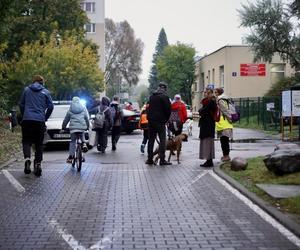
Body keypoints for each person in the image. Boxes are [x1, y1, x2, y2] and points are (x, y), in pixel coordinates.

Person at [19, 75, 54, 176]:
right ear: (42, 82)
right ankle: (38, 164)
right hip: (39, 121)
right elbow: (51, 106)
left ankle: (27, 160)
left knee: (26, 141)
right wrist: (45, 117)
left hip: (27, 120)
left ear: (33, 81)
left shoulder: (26, 90)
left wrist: (24, 115)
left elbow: (21, 104)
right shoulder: (46, 92)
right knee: (39, 143)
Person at [146, 82, 172, 165]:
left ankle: (150, 159)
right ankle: (162, 160)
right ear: (164, 89)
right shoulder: (165, 97)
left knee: (151, 140)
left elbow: (148, 108)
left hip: (151, 121)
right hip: (160, 122)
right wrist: (166, 120)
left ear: (158, 88)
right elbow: (168, 111)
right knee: (162, 141)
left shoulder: (152, 97)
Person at [62, 97, 90, 163]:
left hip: (73, 129)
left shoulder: (70, 110)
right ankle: (84, 144)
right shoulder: (83, 109)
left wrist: (63, 127)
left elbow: (66, 120)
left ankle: (71, 156)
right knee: (82, 133)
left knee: (73, 142)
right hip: (82, 127)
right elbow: (86, 118)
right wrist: (87, 127)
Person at [198, 88, 217, 167]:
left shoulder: (211, 102)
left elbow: (203, 110)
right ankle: (208, 160)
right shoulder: (206, 101)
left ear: (211, 94)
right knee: (206, 142)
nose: (205, 94)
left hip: (208, 125)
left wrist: (201, 110)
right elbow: (202, 110)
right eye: (205, 92)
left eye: (207, 93)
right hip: (206, 125)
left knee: (208, 142)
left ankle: (209, 160)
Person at [214, 87, 233, 162]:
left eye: (216, 92)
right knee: (225, 141)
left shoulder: (220, 100)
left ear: (219, 93)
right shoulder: (226, 99)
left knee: (224, 141)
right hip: (225, 123)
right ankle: (225, 155)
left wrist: (230, 118)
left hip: (224, 123)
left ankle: (226, 156)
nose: (215, 94)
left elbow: (224, 110)